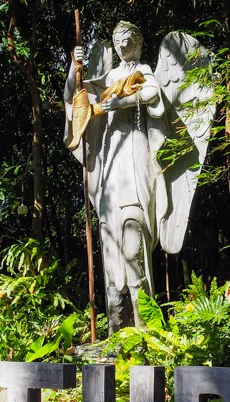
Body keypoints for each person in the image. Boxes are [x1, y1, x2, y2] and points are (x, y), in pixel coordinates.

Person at [65, 21, 166, 331]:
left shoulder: (142, 69)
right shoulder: (110, 76)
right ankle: (114, 336)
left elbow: (152, 91)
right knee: (110, 250)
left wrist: (122, 101)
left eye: (128, 40)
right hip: (111, 156)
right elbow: (76, 98)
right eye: (118, 41)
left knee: (134, 240)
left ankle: (145, 336)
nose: (122, 46)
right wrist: (75, 65)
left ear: (137, 42)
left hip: (134, 152)